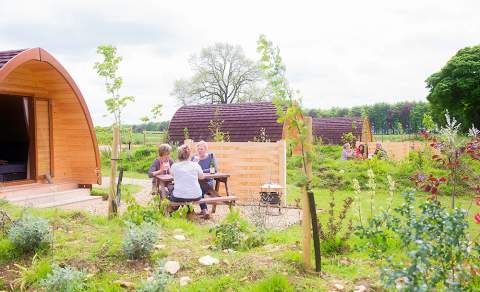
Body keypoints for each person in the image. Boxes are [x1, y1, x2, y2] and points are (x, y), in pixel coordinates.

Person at [169, 144, 206, 216]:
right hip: (196, 196)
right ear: (189, 155)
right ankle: (189, 213)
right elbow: (202, 177)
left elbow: (172, 175)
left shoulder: (174, 166)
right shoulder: (195, 165)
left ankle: (173, 211)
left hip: (179, 196)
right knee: (187, 195)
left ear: (178, 155)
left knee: (172, 193)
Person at [191, 140, 218, 217]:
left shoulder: (210, 156)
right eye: (198, 149)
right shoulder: (194, 158)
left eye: (201, 149)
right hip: (196, 181)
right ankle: (193, 210)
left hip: (208, 181)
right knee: (192, 187)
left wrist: (201, 171)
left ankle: (204, 210)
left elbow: (214, 170)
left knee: (199, 188)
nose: (199, 151)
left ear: (205, 149)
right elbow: (189, 169)